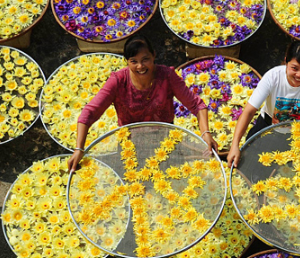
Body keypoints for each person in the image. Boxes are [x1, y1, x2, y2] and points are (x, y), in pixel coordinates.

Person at [68, 36, 218, 171]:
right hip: (130, 141)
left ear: (154, 56)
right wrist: (79, 149)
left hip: (164, 137)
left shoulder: (167, 76)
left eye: (145, 59)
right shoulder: (118, 81)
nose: (140, 66)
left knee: (166, 173)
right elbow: (89, 112)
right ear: (127, 61)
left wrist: (205, 133)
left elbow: (197, 105)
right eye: (134, 61)